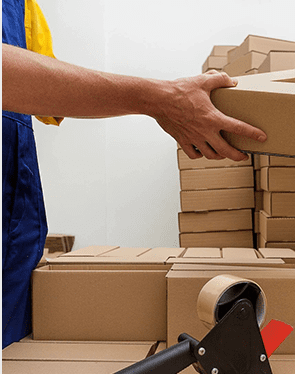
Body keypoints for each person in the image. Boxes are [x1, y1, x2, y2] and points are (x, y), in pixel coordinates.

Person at [2, 0, 267, 348]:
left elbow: (43, 94)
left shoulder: (22, 7)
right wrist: (161, 99)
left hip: (13, 223)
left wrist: (165, 101)